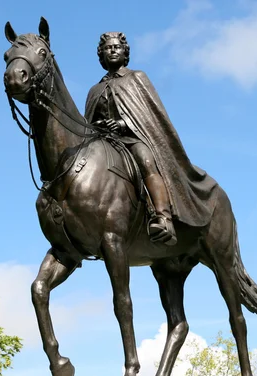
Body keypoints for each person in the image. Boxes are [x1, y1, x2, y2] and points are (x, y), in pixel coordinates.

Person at [85, 32, 218, 246]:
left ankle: (163, 218)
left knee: (146, 160)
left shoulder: (136, 78)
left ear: (124, 52)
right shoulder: (95, 90)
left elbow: (149, 117)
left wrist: (122, 124)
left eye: (116, 47)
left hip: (132, 139)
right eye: (108, 48)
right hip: (104, 144)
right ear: (101, 54)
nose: (112, 50)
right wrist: (97, 128)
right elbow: (88, 124)